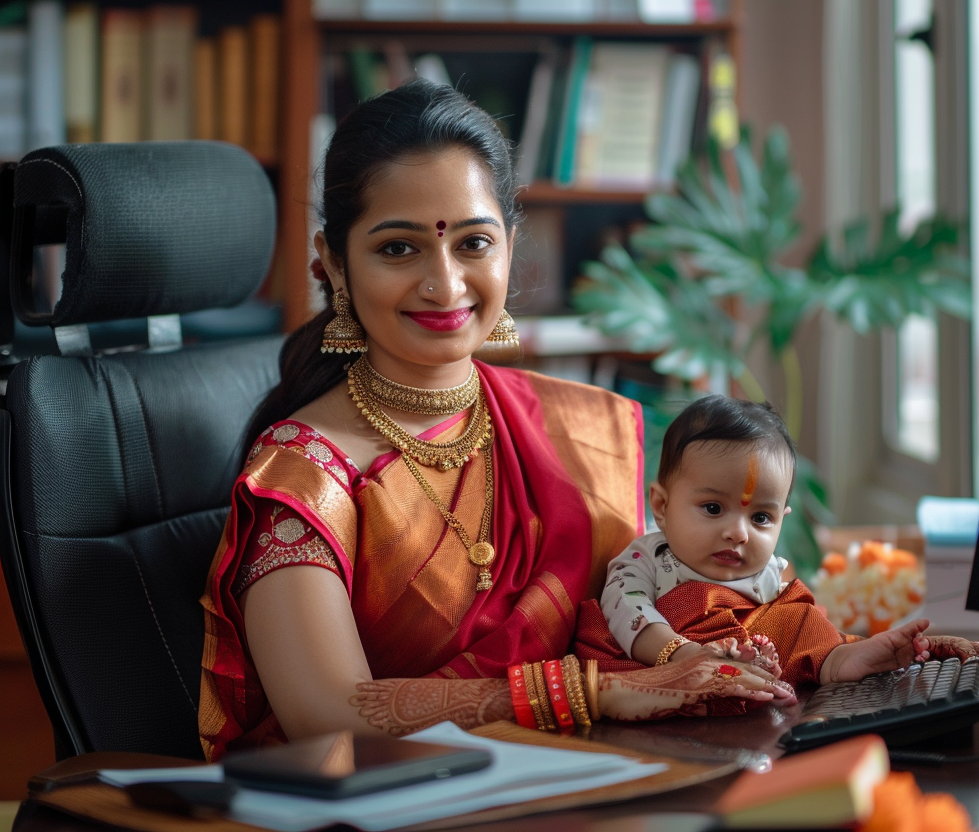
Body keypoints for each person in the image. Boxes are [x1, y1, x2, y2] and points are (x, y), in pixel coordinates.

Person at [198, 82, 795, 760]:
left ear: (510, 246)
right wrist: (584, 692)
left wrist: (833, 656)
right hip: (398, 802)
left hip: (595, 770)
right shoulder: (305, 477)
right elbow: (329, 716)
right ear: (334, 262)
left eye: (473, 244)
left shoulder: (576, 428)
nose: (445, 285)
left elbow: (665, 603)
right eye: (399, 248)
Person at [577, 395, 979, 696]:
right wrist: (686, 655)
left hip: (756, 708)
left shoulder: (770, 579)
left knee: (806, 620)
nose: (739, 532)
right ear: (661, 505)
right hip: (667, 691)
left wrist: (851, 653)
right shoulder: (647, 560)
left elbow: (802, 648)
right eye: (713, 508)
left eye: (761, 517)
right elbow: (628, 613)